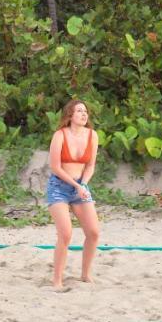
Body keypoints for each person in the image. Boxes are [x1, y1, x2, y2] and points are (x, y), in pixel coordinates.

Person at [47, 98, 102, 289]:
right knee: (66, 233)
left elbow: (90, 165)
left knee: (94, 232)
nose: (84, 114)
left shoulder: (92, 135)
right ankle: (57, 280)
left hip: (80, 185)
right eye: (79, 111)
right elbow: (55, 167)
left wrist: (83, 184)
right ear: (70, 115)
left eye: (85, 111)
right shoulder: (60, 135)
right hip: (59, 187)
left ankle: (85, 274)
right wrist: (75, 185)